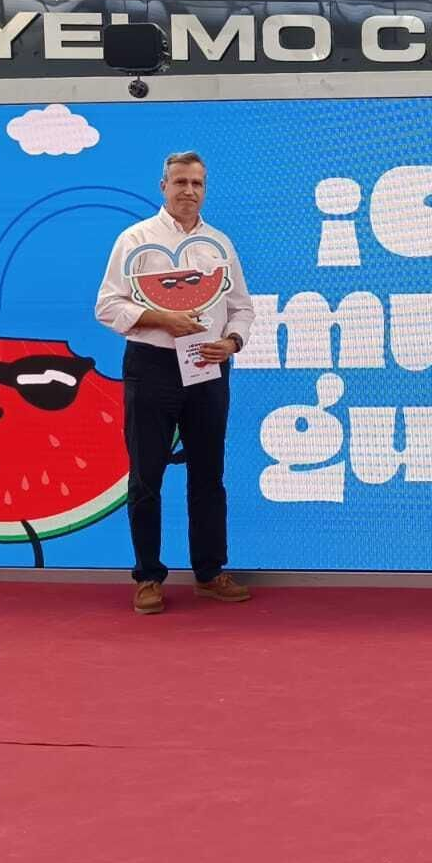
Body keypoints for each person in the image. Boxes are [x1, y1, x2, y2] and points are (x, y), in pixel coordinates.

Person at [95, 152, 256, 615]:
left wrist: (233, 341)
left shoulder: (220, 245)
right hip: (152, 365)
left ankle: (209, 573)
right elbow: (107, 306)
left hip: (209, 366)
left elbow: (243, 307)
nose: (189, 190)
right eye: (180, 182)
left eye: (198, 183)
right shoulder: (135, 240)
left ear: (205, 189)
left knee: (209, 476)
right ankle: (147, 576)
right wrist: (159, 317)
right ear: (162, 186)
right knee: (146, 476)